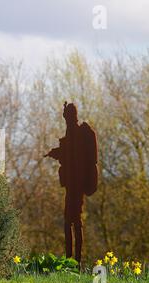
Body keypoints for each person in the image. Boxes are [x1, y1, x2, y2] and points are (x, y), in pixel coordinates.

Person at [45, 102, 98, 263]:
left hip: (77, 185)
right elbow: (68, 154)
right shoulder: (72, 132)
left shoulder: (78, 133)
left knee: (73, 221)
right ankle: (72, 259)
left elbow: (75, 157)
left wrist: (58, 153)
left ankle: (75, 260)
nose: (66, 120)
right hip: (72, 185)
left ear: (71, 116)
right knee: (70, 221)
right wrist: (56, 152)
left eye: (67, 116)